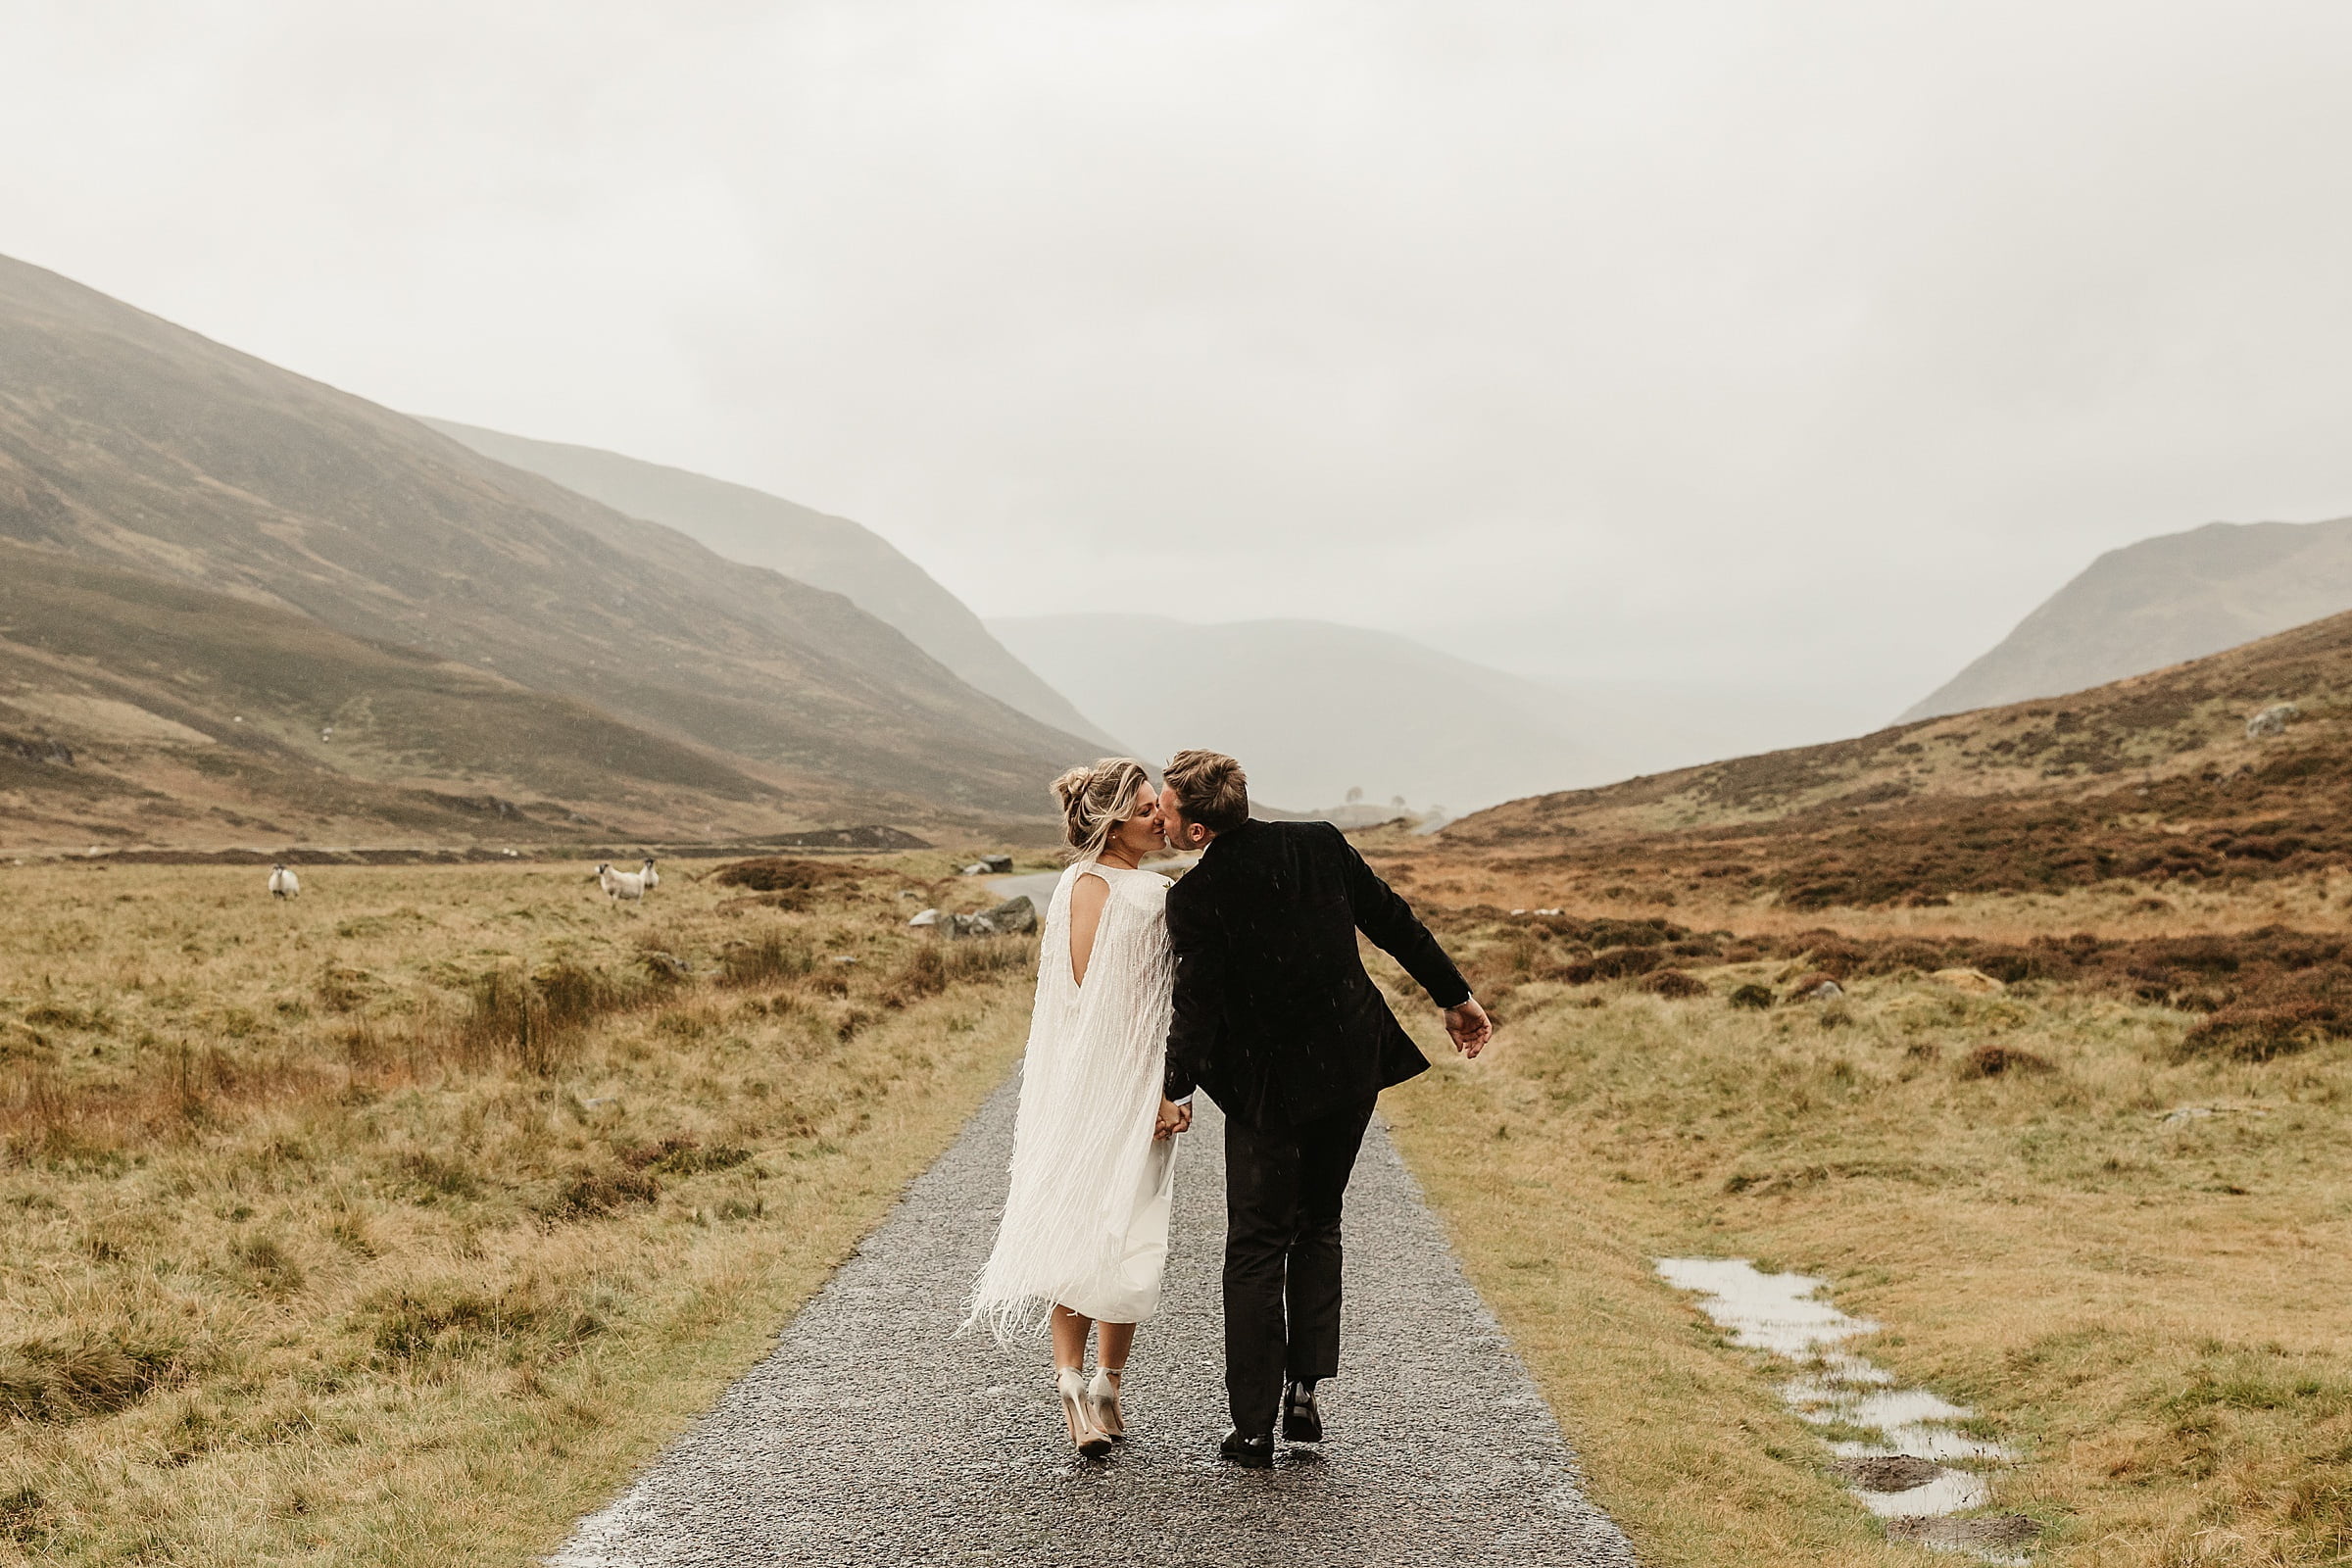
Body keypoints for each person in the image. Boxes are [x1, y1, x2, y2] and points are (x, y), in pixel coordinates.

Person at [1155, 749, 1491, 1468]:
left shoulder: (1196, 898)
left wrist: (1175, 1090)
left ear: (1195, 832)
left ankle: (1251, 1428)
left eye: (1167, 806)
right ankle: (1303, 1388)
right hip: (1348, 1067)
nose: (1159, 812)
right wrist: (1455, 998)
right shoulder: (1318, 843)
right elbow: (1394, 922)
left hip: (1266, 1092)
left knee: (1255, 1241)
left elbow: (1197, 1007)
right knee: (1319, 1221)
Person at [965, 758, 1192, 1458]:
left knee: (1076, 1223)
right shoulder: (1153, 894)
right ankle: (1104, 1383)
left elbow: (1079, 1001)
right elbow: (1139, 1008)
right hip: (1129, 1088)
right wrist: (1165, 1090)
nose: (1162, 816)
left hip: (1069, 1087)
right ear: (1115, 818)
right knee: (1127, 1230)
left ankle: (1077, 1381)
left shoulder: (1070, 886)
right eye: (1149, 806)